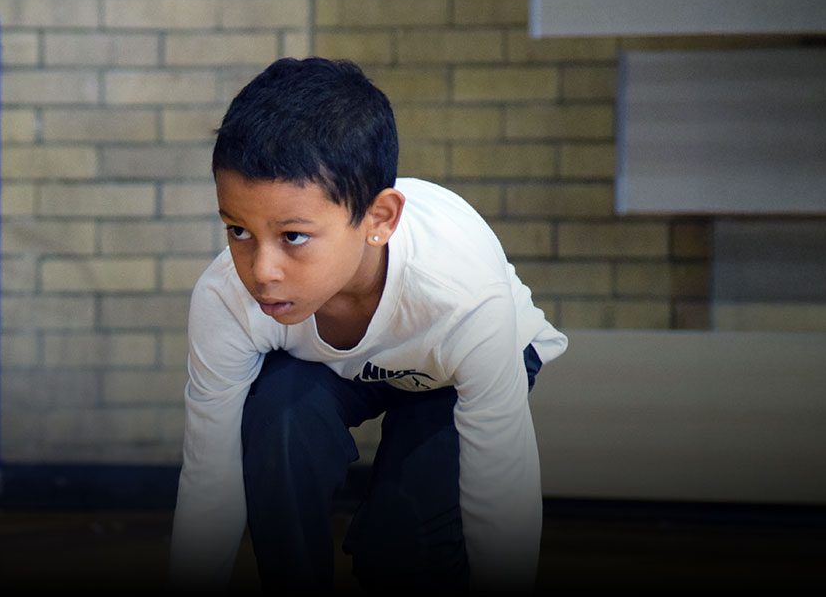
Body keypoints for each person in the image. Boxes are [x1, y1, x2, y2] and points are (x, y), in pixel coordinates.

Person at [167, 57, 567, 595]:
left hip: (447, 373)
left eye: (294, 236)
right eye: (238, 230)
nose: (261, 271)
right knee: (276, 426)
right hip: (337, 369)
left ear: (379, 220)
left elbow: (501, 488)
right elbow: (209, 478)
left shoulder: (465, 296)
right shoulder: (226, 297)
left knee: (401, 545)